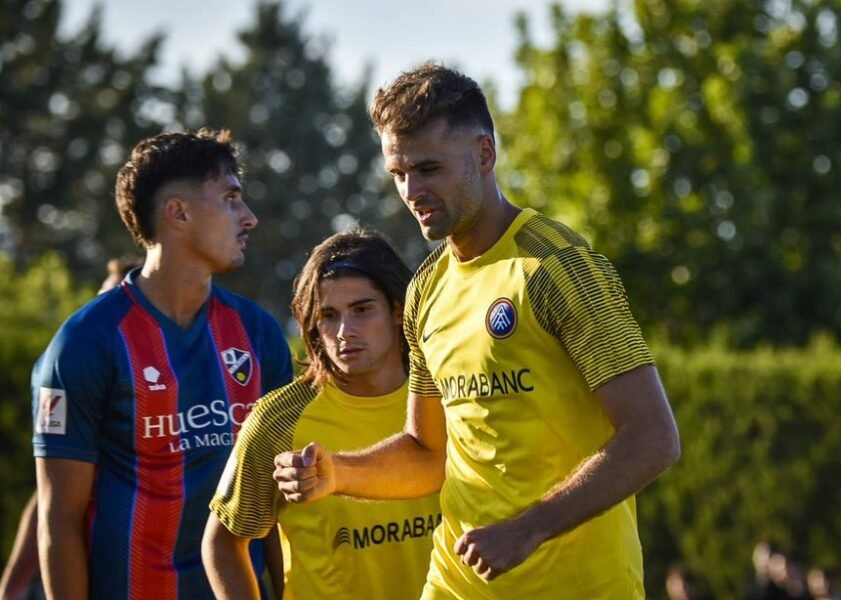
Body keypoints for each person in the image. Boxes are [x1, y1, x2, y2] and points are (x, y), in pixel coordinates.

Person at [273, 62, 681, 598]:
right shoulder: (425, 290)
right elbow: (427, 451)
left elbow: (653, 439)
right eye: (398, 173)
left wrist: (528, 528)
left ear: (484, 155)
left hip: (580, 585)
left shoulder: (558, 268)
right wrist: (339, 474)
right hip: (459, 583)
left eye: (428, 168)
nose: (411, 189)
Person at [31, 129, 293, 599]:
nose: (249, 217)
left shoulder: (259, 335)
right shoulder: (84, 342)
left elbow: (279, 507)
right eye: (231, 198)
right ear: (178, 212)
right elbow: (59, 519)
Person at [202, 229, 440, 599]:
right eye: (329, 315)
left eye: (362, 310)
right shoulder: (277, 418)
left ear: (397, 310)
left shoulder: (446, 398)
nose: (345, 332)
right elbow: (222, 543)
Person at [1, 257, 142, 600]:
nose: (100, 315)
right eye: (99, 301)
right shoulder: (71, 364)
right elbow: (48, 501)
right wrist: (10, 587)